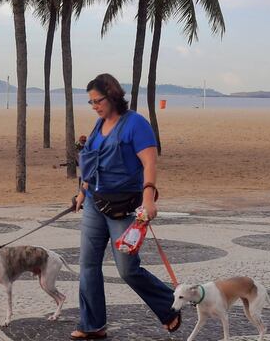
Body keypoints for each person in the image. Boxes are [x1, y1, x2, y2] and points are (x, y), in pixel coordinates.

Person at [70, 73, 181, 340]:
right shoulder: (99, 125)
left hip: (123, 208)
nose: (95, 106)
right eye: (91, 102)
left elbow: (149, 164)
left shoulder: (136, 124)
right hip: (96, 204)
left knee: (127, 269)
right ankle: (92, 325)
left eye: (98, 101)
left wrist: (148, 199)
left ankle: (170, 306)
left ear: (113, 96)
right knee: (88, 265)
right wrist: (82, 192)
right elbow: (91, 163)